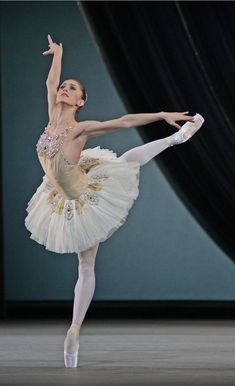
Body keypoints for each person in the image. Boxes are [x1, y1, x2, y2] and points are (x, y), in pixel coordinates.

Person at [24, 34, 205, 368]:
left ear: (80, 103)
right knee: (85, 264)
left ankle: (74, 330)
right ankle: (75, 332)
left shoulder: (81, 130)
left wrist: (162, 113)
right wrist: (59, 55)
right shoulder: (52, 115)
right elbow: (50, 81)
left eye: (72, 89)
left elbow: (123, 122)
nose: (64, 89)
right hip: (57, 200)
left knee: (126, 165)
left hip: (84, 198)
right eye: (65, 86)